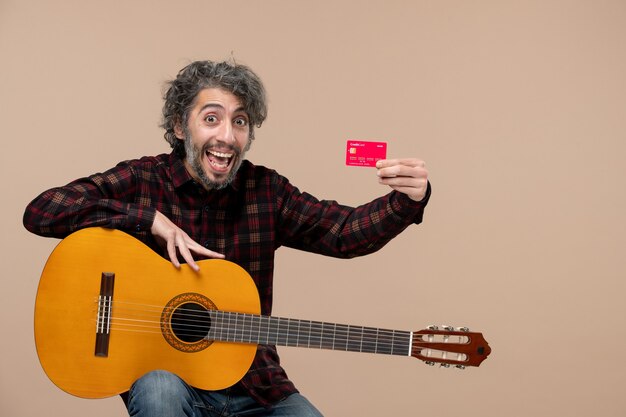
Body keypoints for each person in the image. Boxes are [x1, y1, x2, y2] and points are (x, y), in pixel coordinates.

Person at [23, 60, 430, 417]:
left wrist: (409, 201)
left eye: (239, 121)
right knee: (161, 391)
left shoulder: (265, 190)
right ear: (181, 126)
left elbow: (343, 233)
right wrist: (148, 220)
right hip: (165, 378)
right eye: (212, 118)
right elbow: (43, 210)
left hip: (256, 385)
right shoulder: (145, 178)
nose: (227, 137)